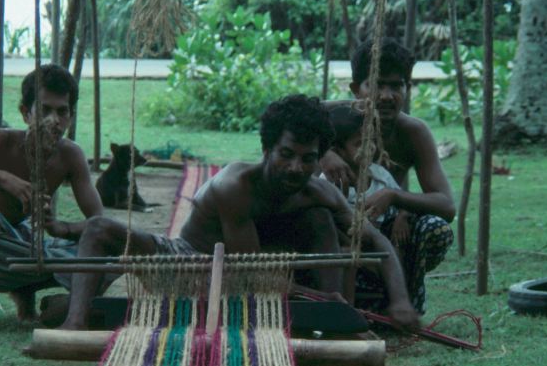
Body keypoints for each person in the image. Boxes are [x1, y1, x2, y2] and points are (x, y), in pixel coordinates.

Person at [60, 93, 421, 332]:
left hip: (259, 279)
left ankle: (333, 324)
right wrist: (310, 295)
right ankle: (72, 326)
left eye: (308, 159)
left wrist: (401, 302)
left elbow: (376, 242)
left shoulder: (318, 191)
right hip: (193, 267)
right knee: (98, 229)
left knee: (321, 219)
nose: (297, 167)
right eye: (287, 154)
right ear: (266, 149)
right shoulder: (234, 187)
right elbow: (246, 274)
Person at [0, 65, 104, 330]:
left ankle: (30, 298)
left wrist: (60, 228)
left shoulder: (70, 156)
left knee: (107, 256)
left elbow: (99, 225)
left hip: (21, 253)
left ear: (70, 116)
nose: (54, 120)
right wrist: (1, 177)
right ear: (26, 112)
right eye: (45, 110)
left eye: (62, 111)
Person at [321, 37, 455, 313]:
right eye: (377, 84)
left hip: (391, 231)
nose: (386, 95)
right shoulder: (335, 121)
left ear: (407, 88)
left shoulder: (413, 132)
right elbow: (286, 117)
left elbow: (446, 205)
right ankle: (342, 305)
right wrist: (324, 153)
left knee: (435, 229)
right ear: (356, 90)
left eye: (396, 86)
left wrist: (396, 198)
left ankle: (406, 301)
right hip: (339, 232)